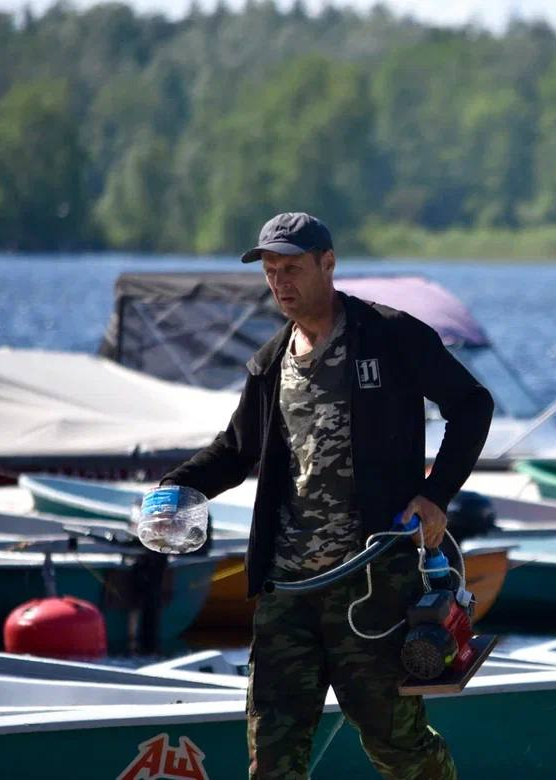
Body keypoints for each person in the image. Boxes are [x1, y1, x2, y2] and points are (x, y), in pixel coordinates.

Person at [160, 212, 494, 779]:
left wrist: (435, 496)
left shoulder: (390, 335)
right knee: (272, 759)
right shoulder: (270, 363)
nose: (281, 283)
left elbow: (471, 406)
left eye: (292, 268)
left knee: (398, 748)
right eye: (270, 272)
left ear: (328, 264)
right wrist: (176, 490)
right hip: (287, 593)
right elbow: (237, 450)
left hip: (371, 589)